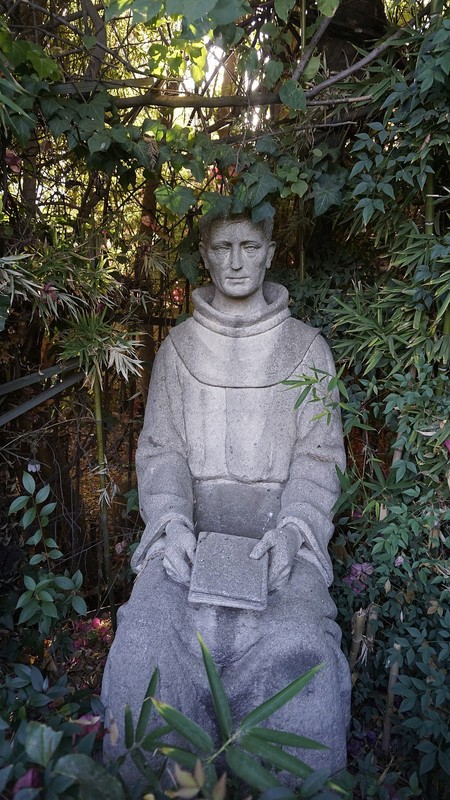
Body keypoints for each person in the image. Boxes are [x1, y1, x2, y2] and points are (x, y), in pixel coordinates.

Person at [101, 215, 351, 785]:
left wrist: (293, 532)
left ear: (268, 253)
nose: (236, 261)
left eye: (248, 246)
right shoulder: (180, 348)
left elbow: (318, 460)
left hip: (277, 546)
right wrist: (170, 523)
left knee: (302, 654)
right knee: (144, 643)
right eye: (222, 248)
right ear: (206, 258)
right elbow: (161, 452)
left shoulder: (306, 349)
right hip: (190, 545)